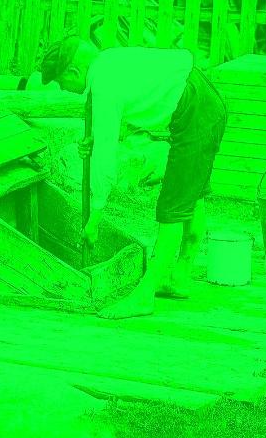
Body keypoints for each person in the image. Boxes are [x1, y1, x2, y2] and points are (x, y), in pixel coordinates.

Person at [39, 36, 226, 320]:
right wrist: (94, 137)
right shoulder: (107, 62)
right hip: (202, 100)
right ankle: (179, 277)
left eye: (60, 82)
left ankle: (144, 296)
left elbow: (104, 158)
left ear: (74, 72)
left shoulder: (102, 84)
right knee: (192, 196)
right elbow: (121, 116)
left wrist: (95, 216)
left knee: (172, 208)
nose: (63, 89)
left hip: (195, 111)